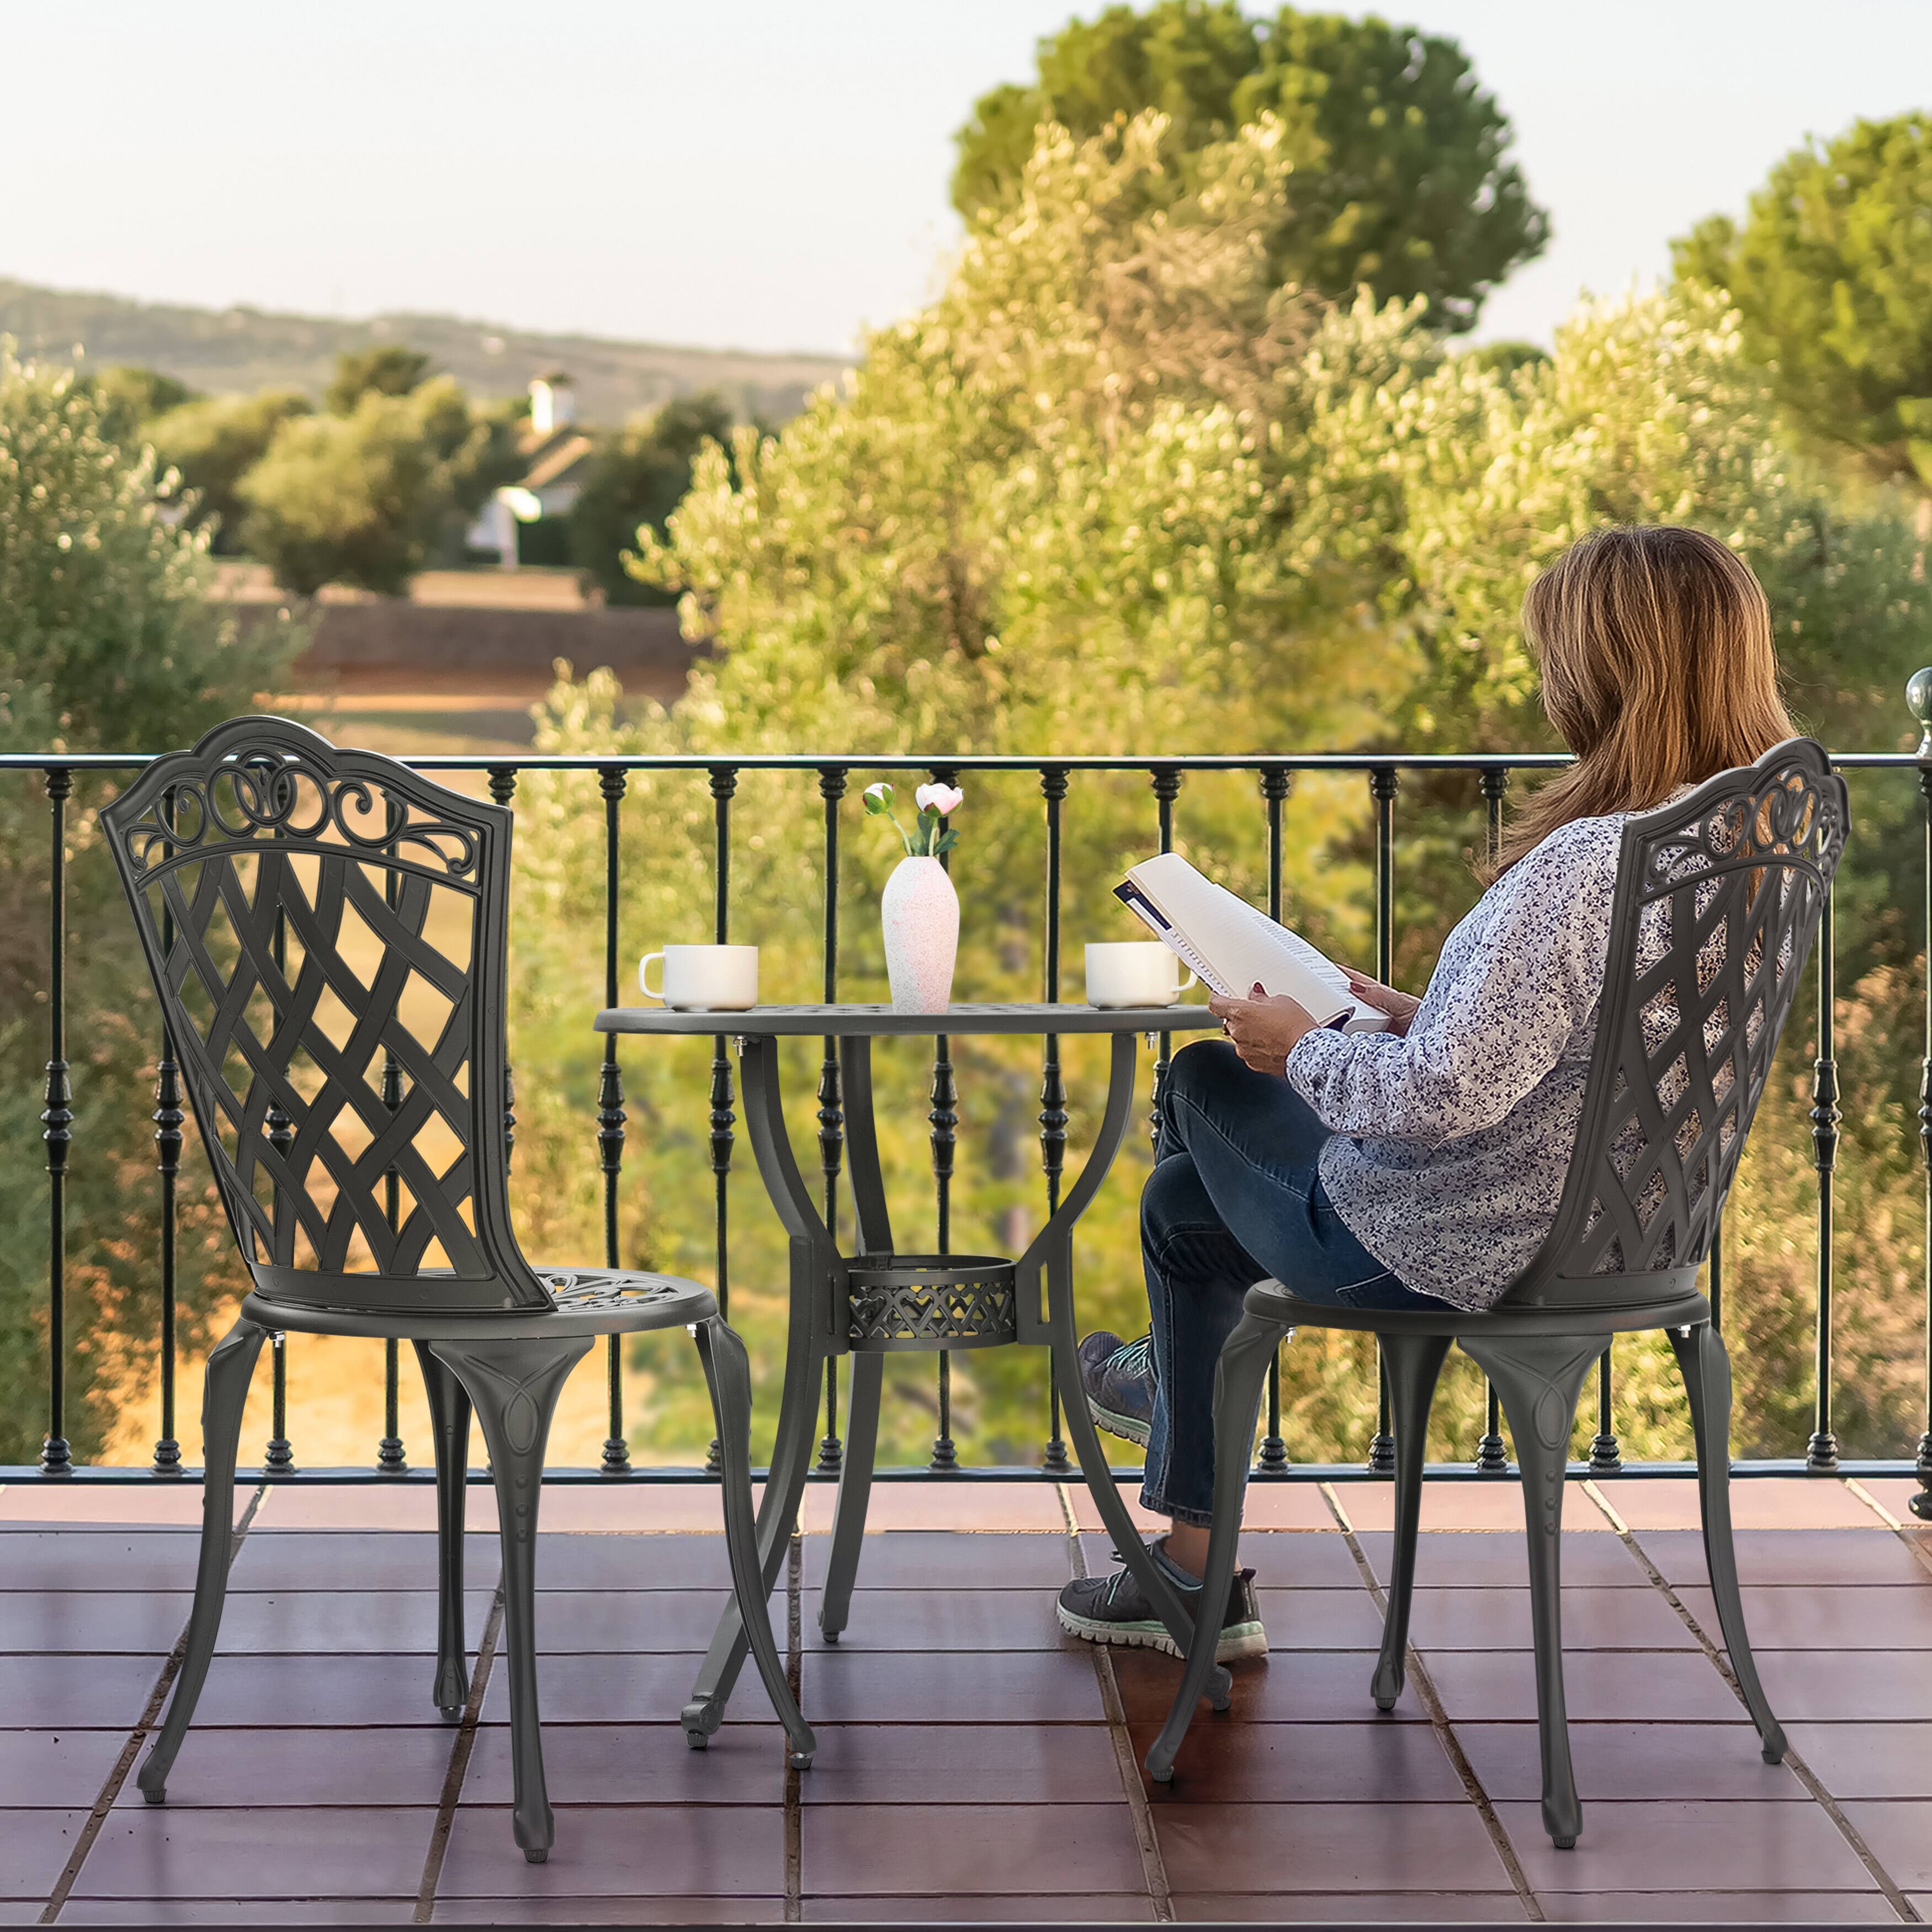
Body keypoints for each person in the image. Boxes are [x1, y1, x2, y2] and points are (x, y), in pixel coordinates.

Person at [1058, 524, 1801, 1660]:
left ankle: (1170, 1421)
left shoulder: (1582, 862)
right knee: (1181, 1212)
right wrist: (1413, 1011)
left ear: (1607, 668)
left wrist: (1300, 1045)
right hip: (1613, 1231)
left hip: (1440, 1239)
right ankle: (1193, 1568)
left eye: (1560, 652)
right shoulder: (1740, 855)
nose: (1549, 677)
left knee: (1202, 1079)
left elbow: (1441, 1099)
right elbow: (1600, 1041)